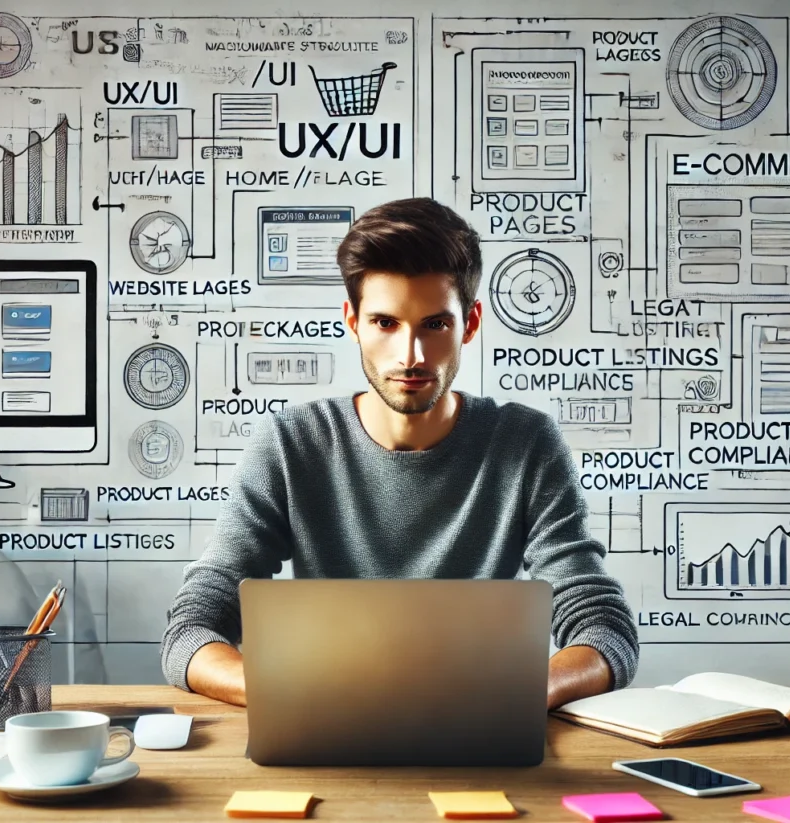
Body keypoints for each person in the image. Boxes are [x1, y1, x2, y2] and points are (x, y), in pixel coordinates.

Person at [160, 197, 639, 709]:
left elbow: (604, 628)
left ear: (470, 324)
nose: (410, 355)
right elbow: (192, 628)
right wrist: (290, 693)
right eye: (386, 323)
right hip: (324, 724)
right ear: (353, 321)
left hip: (477, 728)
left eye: (435, 325)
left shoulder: (525, 444)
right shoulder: (289, 444)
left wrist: (520, 692)